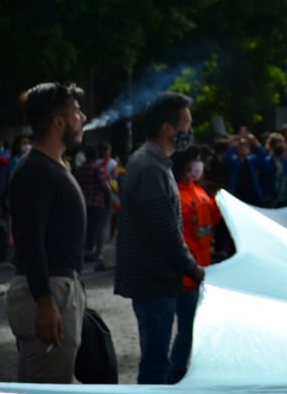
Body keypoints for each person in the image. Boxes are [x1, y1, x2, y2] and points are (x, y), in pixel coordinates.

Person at [113, 92, 206, 384]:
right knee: (155, 365)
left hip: (156, 280)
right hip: (153, 281)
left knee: (157, 361)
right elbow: (166, 234)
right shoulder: (151, 167)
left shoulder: (154, 163)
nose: (189, 132)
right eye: (186, 124)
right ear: (168, 129)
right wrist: (194, 269)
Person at [6, 82, 88, 383]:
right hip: (49, 293)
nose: (83, 118)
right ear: (58, 123)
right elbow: (30, 241)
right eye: (76, 112)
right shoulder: (35, 170)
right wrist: (44, 301)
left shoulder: (51, 166)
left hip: (57, 290)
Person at [170, 146, 219, 383]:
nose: (200, 165)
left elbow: (209, 219)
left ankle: (181, 370)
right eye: (195, 160)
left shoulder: (197, 190)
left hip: (201, 271)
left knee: (193, 328)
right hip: (187, 275)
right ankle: (176, 373)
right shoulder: (177, 195)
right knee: (187, 328)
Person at [72, 143, 113, 266]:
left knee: (85, 229)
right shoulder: (97, 169)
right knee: (99, 229)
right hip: (97, 203)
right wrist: (109, 199)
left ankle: (84, 253)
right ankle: (97, 253)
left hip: (83, 204)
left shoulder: (79, 170)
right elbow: (104, 186)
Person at [258, 132, 287, 207]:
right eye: (279, 143)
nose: (281, 145)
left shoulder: (286, 162)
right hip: (271, 200)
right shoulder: (267, 162)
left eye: (282, 143)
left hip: (286, 200)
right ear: (273, 145)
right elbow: (264, 180)